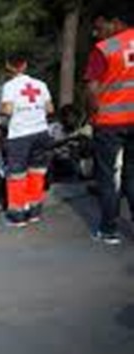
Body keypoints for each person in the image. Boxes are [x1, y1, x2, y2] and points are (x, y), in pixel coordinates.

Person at [85, 8, 134, 245]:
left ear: (115, 22)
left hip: (110, 123)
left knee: (108, 177)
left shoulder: (105, 49)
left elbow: (92, 91)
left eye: (100, 27)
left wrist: (91, 115)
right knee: (133, 174)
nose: (97, 33)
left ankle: (109, 229)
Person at [0, 53, 55, 227]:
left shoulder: (9, 86)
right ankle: (34, 211)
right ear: (25, 65)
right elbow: (50, 108)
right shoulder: (40, 84)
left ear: (9, 67)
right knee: (37, 172)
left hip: (20, 135)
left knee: (17, 175)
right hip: (41, 132)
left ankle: (18, 215)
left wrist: (0, 109)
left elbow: (7, 110)